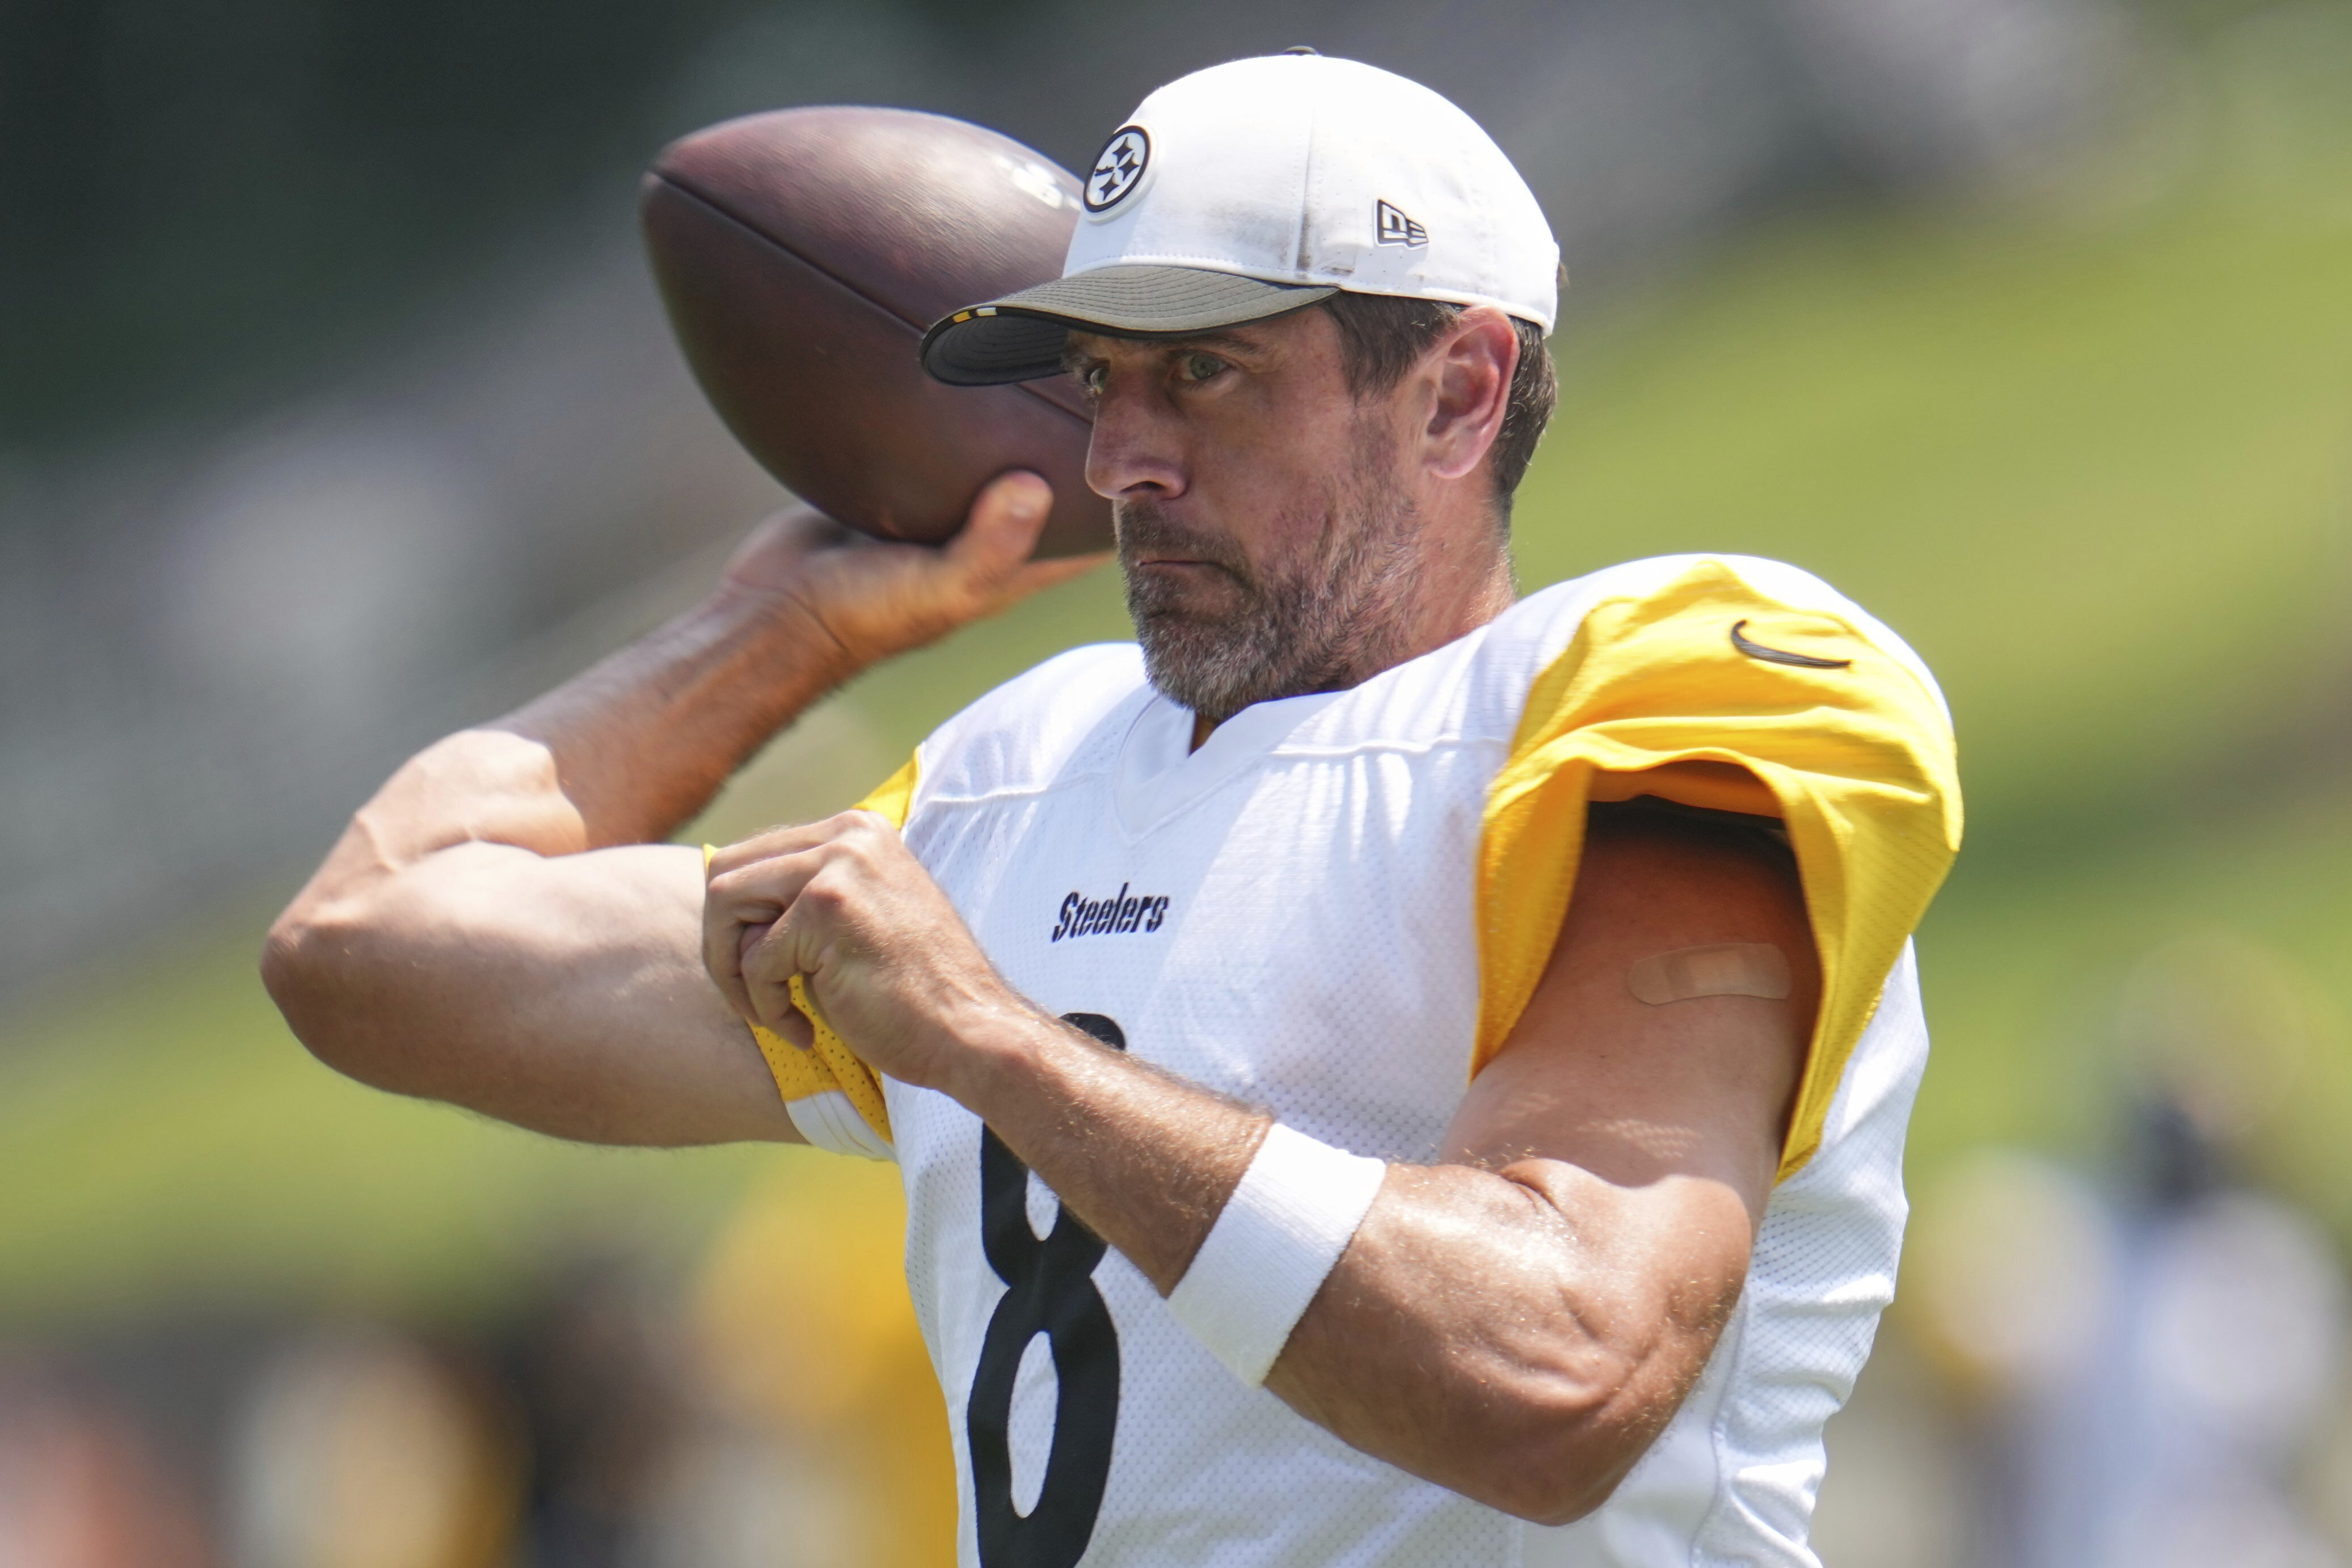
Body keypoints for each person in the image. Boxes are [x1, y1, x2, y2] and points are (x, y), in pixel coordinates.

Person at [264, 53, 1961, 1567]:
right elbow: (371, 936)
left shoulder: (1671, 687)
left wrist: (994, 1043)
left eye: (1204, 376)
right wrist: (779, 629)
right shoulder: (1017, 779)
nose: (1117, 462)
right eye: (1096, 381)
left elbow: (1559, 1368)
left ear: (1453, 390)